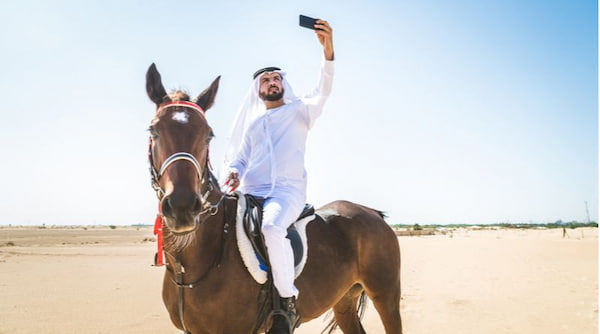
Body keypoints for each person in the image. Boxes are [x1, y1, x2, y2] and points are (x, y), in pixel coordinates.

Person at [223, 19, 334, 334]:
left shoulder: (301, 111)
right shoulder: (254, 126)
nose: (271, 83)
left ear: (282, 83)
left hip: (286, 193)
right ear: (258, 90)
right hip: (250, 192)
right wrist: (234, 172)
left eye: (275, 78)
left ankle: (286, 302)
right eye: (266, 80)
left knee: (272, 227)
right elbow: (241, 159)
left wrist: (327, 52)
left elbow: (324, 89)